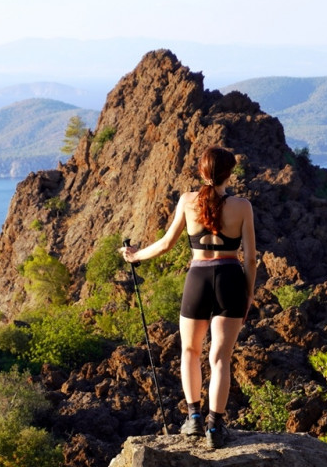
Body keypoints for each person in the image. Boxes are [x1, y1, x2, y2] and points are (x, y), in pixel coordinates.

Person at [119, 146, 256, 449]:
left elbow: (166, 244)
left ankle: (194, 417)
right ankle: (215, 427)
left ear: (201, 172)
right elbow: (251, 259)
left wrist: (135, 256)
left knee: (190, 351)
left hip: (198, 279)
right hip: (231, 279)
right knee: (220, 357)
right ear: (229, 173)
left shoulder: (186, 201)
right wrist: (248, 294)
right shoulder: (243, 206)